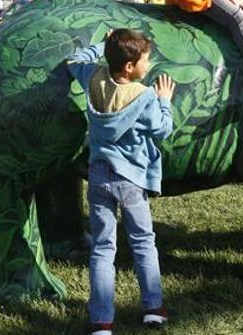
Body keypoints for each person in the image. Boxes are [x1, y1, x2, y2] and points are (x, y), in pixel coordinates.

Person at [66, 29, 174, 335]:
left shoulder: (94, 79)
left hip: (99, 177)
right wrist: (165, 101)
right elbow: (162, 130)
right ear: (130, 67)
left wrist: (105, 45)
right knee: (143, 242)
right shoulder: (145, 97)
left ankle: (101, 321)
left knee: (102, 248)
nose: (149, 65)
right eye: (146, 60)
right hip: (132, 180)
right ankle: (153, 308)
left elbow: (74, 60)